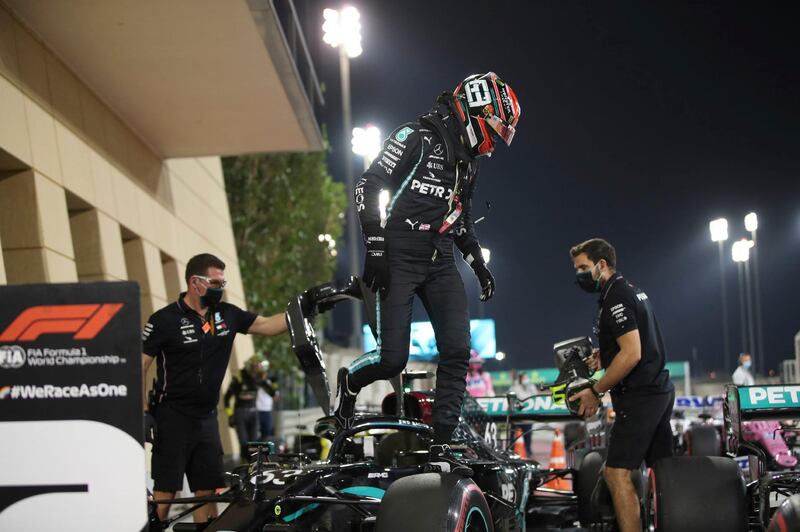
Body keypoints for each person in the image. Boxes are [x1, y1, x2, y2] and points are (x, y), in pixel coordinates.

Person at [334, 72, 521, 474]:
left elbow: (462, 221)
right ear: (475, 112)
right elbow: (368, 184)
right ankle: (350, 381)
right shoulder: (415, 136)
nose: (491, 145)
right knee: (391, 360)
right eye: (492, 132)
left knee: (457, 350)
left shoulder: (468, 165)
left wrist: (478, 263)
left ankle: (442, 444)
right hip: (397, 252)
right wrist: (377, 245)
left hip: (439, 258)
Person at [141, 253, 288, 523]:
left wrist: (302, 310)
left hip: (207, 419)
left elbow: (267, 324)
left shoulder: (227, 315)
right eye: (215, 283)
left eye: (223, 282)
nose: (221, 288)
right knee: (165, 494)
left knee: (206, 494)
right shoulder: (164, 320)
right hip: (171, 417)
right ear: (195, 283)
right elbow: (139, 365)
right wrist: (144, 411)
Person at [567, 239, 674, 532]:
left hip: (640, 395)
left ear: (602, 265)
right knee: (664, 472)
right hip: (657, 390)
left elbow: (632, 354)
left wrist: (595, 390)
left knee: (616, 473)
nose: (579, 275)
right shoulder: (630, 290)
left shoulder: (616, 297)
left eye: (583, 268)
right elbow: (634, 342)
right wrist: (606, 355)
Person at [224, 356, 275, 461]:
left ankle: (254, 465)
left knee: (254, 442)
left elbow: (272, 392)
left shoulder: (257, 377)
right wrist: (230, 415)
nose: (256, 372)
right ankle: (244, 465)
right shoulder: (239, 376)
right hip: (240, 412)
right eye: (254, 369)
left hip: (253, 411)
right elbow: (227, 397)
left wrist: (265, 381)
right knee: (244, 442)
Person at [510, 371, 538, 455]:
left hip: (528, 414)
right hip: (516, 415)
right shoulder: (515, 386)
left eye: (526, 377)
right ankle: (511, 450)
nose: (525, 379)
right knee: (513, 434)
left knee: (528, 434)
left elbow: (536, 396)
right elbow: (511, 397)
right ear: (519, 379)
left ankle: (528, 450)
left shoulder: (531, 386)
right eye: (523, 378)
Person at [255, 358, 278, 440]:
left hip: (267, 411)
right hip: (257, 411)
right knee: (256, 435)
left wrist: (274, 386)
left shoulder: (268, 383)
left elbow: (275, 396)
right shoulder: (257, 382)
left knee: (267, 435)